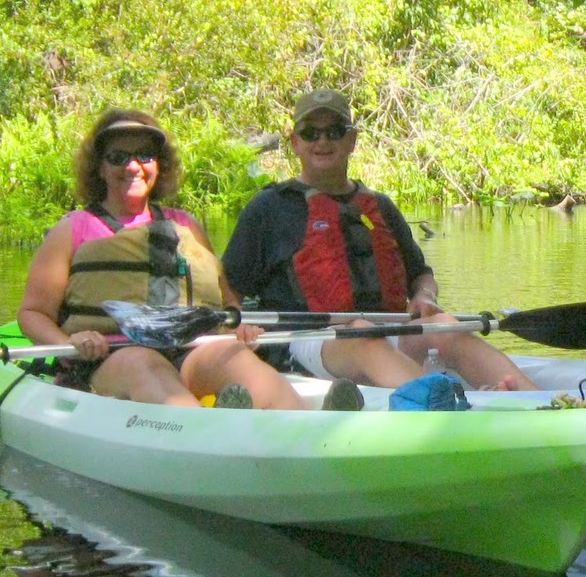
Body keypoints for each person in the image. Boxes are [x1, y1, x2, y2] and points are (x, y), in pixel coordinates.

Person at [222, 88, 538, 395]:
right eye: (310, 132)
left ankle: (543, 401)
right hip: (306, 342)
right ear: (295, 142)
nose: (322, 141)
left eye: (334, 131)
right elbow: (229, 285)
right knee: (362, 332)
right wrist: (235, 322)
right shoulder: (269, 209)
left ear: (352, 140)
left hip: (388, 332)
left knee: (446, 325)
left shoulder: (380, 207)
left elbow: (421, 275)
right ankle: (447, 405)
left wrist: (425, 297)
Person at [18, 109, 305, 410]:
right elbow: (33, 313)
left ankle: (301, 428)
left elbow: (227, 303)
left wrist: (237, 328)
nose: (133, 166)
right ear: (99, 168)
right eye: (118, 157)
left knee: (240, 361)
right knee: (145, 364)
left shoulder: (186, 226)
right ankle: (207, 434)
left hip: (188, 351)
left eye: (145, 155)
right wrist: (71, 341)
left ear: (159, 164)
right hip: (108, 358)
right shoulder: (73, 229)